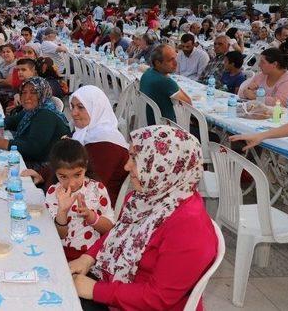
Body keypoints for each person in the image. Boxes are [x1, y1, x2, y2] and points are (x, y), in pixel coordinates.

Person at [69, 125, 217, 311]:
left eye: (135, 159)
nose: (126, 166)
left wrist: (95, 290)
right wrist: (88, 257)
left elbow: (159, 298)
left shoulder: (188, 229)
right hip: (119, 288)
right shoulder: (147, 198)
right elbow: (118, 233)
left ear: (165, 166)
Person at [0, 77, 70, 188]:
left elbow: (33, 148)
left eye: (33, 92)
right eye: (23, 92)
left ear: (43, 93)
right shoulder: (34, 110)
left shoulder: (45, 114)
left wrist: (2, 143)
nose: (26, 97)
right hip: (33, 158)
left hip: (45, 169)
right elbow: (14, 120)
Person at [45, 139, 115, 262]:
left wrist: (91, 216)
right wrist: (62, 211)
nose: (71, 183)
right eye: (63, 177)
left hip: (91, 256)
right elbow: (60, 234)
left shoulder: (97, 189)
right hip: (60, 253)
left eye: (77, 175)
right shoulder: (53, 192)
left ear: (85, 166)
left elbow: (109, 228)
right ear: (55, 173)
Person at [69, 85, 129, 204]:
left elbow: (91, 185)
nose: (74, 113)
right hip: (82, 195)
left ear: (96, 109)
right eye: (72, 106)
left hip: (98, 207)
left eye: (81, 107)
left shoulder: (106, 143)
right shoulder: (85, 133)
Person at [140, 44, 192, 124]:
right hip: (164, 127)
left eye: (175, 58)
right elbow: (188, 103)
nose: (175, 63)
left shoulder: (148, 73)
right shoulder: (165, 81)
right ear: (157, 63)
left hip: (147, 122)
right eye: (170, 60)